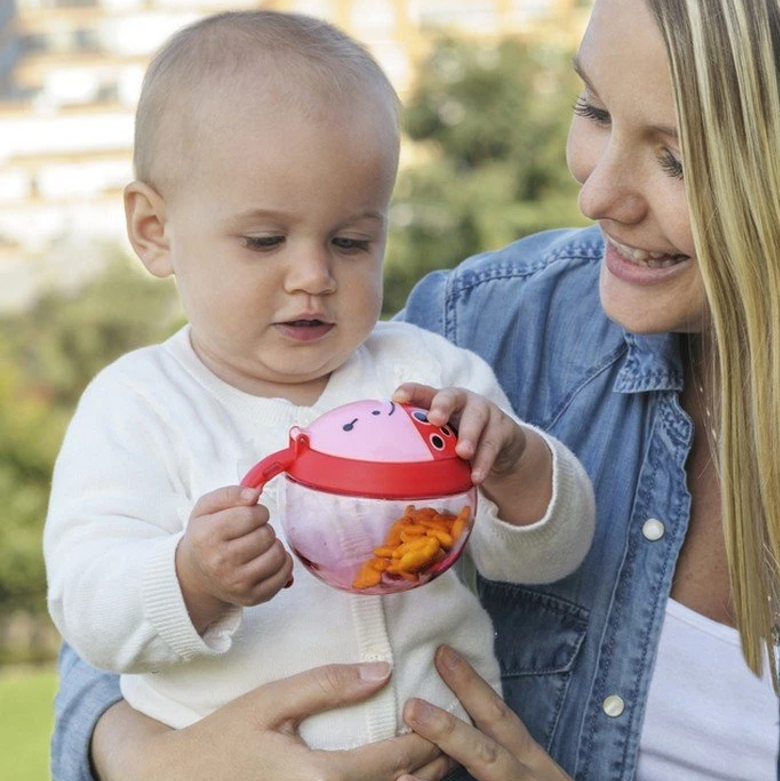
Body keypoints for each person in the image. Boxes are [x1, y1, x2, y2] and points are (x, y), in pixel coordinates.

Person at [50, 0, 780, 779]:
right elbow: (93, 611)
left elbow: (548, 548)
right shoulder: (479, 321)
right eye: (594, 109)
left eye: (676, 159)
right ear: (153, 230)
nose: (595, 196)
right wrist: (162, 743)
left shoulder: (431, 366)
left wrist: (521, 471)